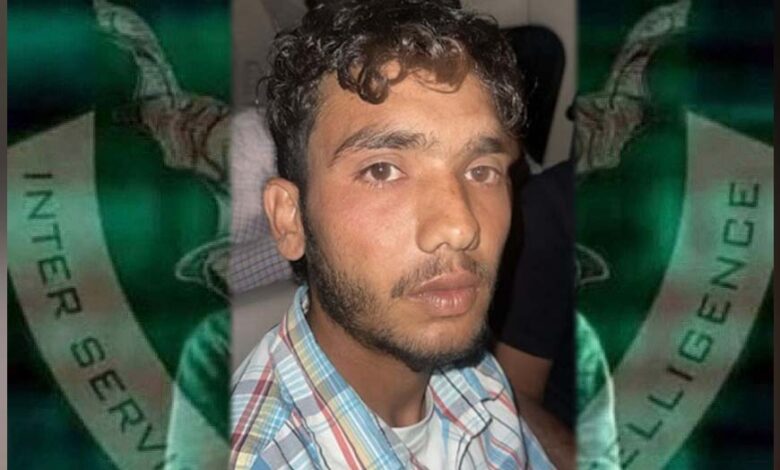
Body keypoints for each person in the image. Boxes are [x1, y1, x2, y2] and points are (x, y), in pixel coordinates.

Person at [230, 0, 553, 468]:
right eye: (381, 170)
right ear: (289, 219)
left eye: (481, 170)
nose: (461, 227)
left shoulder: (476, 377)